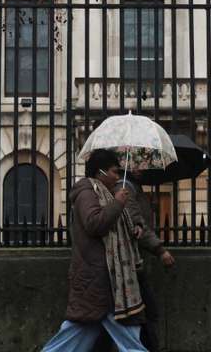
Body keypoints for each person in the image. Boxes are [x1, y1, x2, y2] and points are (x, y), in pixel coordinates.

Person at [40, 149, 149, 352]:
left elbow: (119, 226)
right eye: (114, 171)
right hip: (99, 280)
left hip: (106, 282)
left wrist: (135, 228)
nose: (118, 176)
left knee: (75, 337)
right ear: (100, 172)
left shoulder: (107, 193)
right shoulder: (86, 192)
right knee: (127, 340)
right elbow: (95, 223)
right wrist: (118, 203)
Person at [93, 175, 176, 352]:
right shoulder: (125, 187)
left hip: (131, 261)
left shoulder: (132, 186)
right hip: (130, 263)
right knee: (144, 314)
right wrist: (160, 250)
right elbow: (133, 222)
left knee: (130, 316)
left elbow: (135, 220)